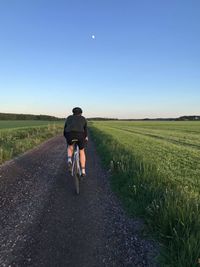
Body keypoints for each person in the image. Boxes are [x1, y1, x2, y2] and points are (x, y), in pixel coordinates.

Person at [63, 107, 88, 177]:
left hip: (69, 134)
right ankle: (83, 171)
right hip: (80, 135)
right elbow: (85, 131)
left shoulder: (68, 118)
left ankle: (69, 159)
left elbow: (65, 129)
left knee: (70, 146)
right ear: (81, 113)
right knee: (82, 151)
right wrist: (85, 137)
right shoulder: (83, 118)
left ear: (73, 112)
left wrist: (67, 138)